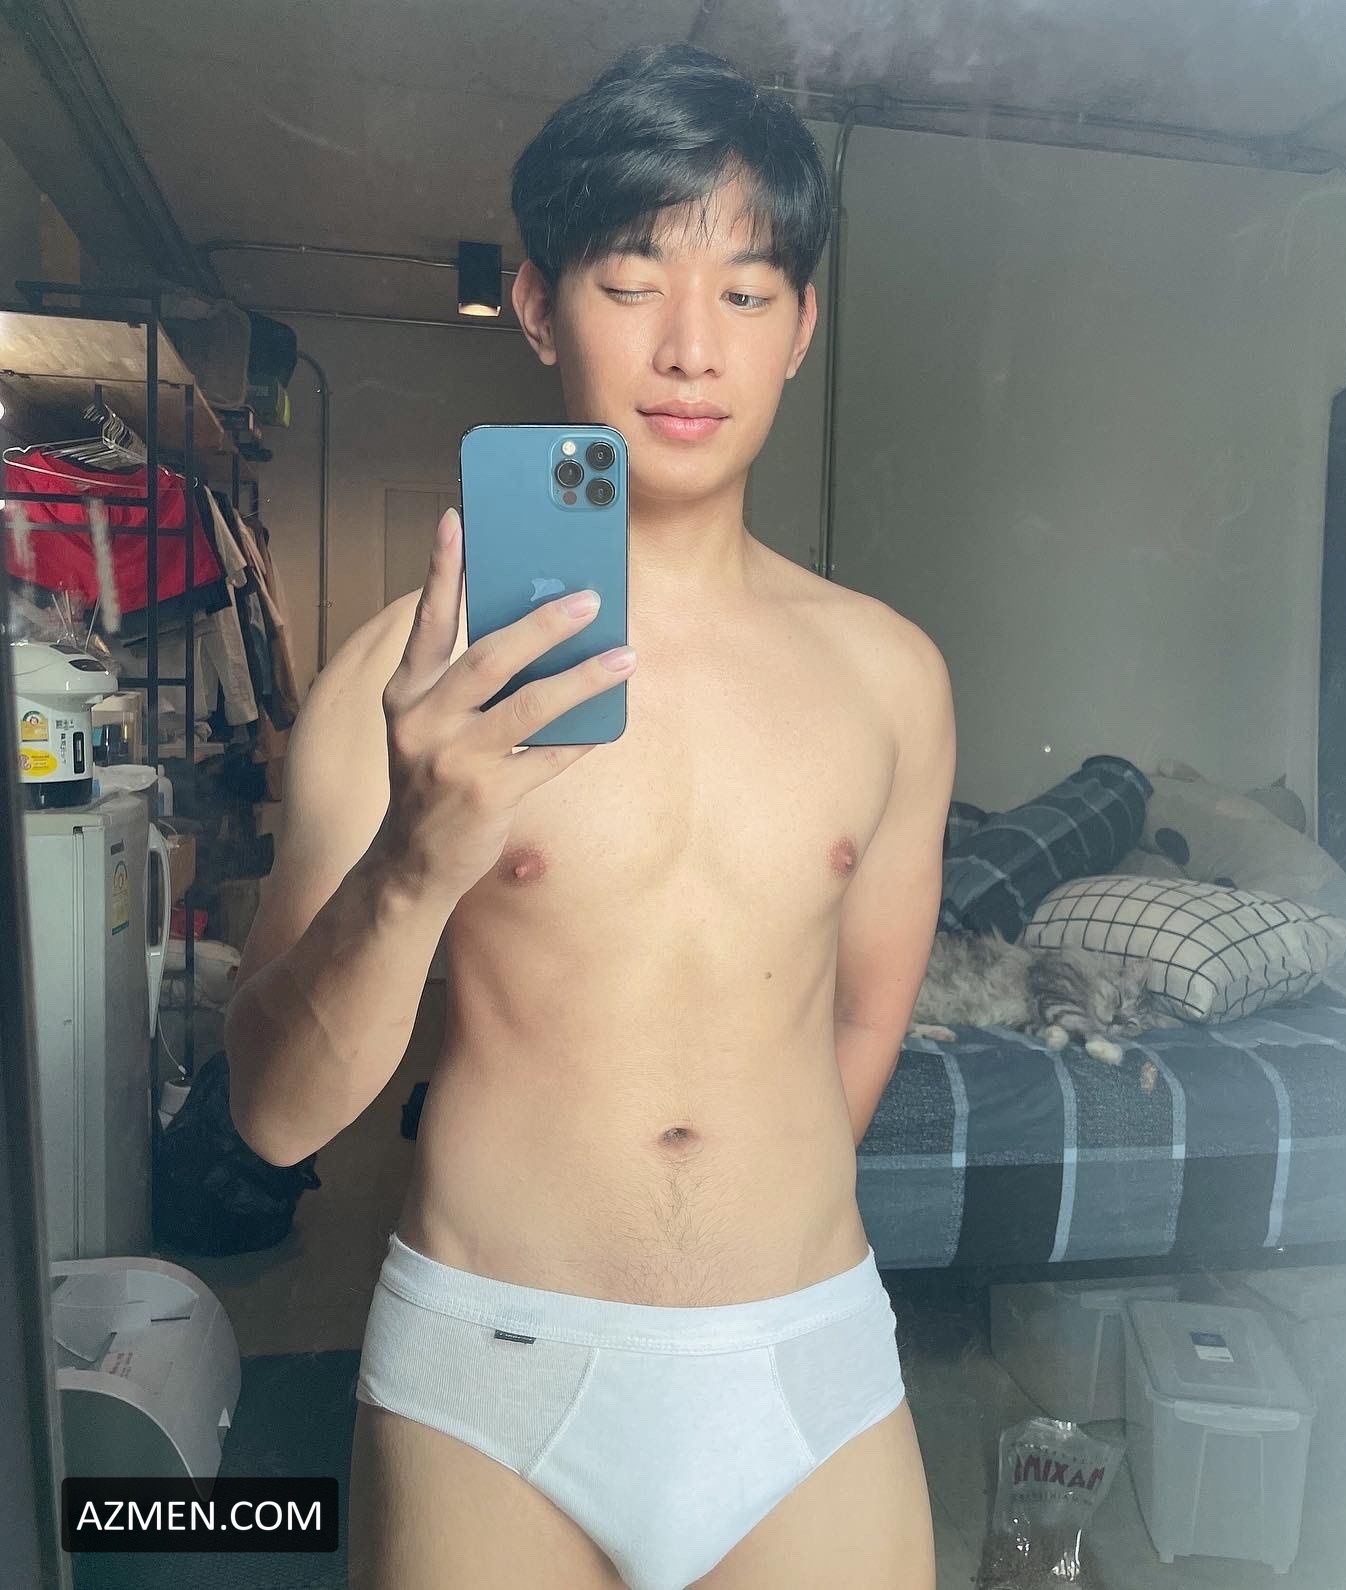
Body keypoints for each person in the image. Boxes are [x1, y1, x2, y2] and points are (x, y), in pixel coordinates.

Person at [226, 40, 955, 1590]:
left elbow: (861, 1023)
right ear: (540, 303)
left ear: (801, 326)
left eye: (745, 293)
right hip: (494, 1371)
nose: (690, 349)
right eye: (633, 283)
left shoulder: (890, 675)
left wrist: (731, 1235)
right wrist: (415, 860)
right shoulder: (402, 677)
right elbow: (273, 1114)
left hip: (801, 1366)